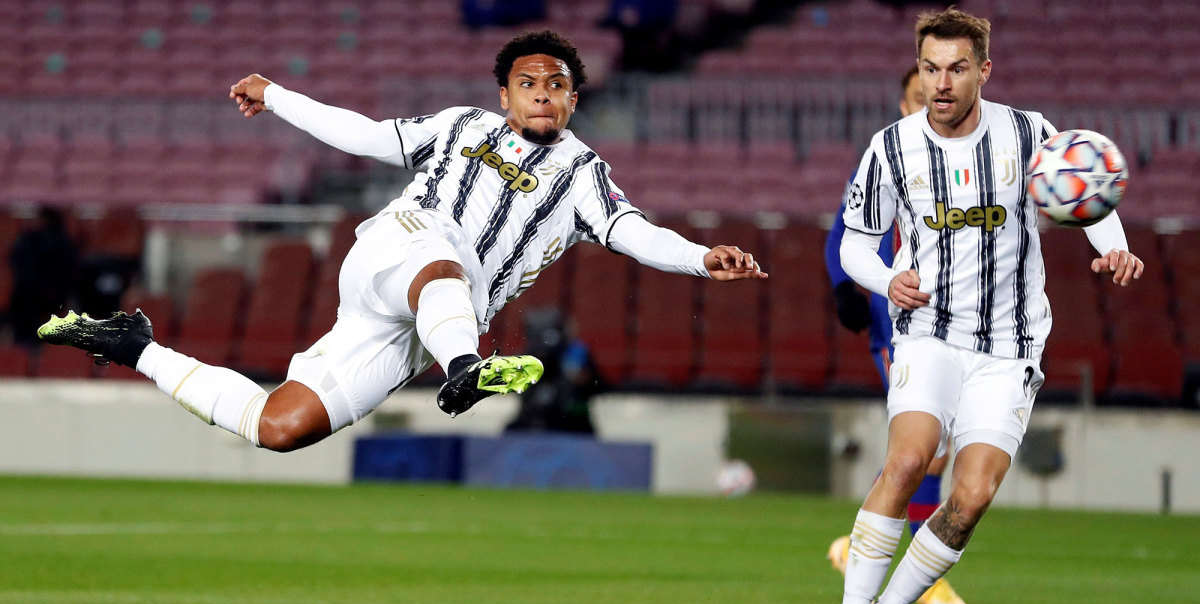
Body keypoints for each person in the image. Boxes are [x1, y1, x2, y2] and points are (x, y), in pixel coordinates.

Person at [38, 30, 766, 452]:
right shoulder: (459, 126)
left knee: (280, 426)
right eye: (528, 81)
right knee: (440, 252)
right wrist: (279, 94)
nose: (543, 90)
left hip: (429, 326)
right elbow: (367, 136)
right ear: (504, 95)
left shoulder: (583, 171)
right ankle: (467, 368)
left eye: (557, 83)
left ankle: (133, 343)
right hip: (400, 246)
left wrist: (701, 258)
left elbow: (632, 232)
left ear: (574, 99)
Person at [817, 9, 1143, 604]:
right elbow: (852, 241)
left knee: (970, 500)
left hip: (1010, 344)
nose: (942, 81)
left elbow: (1086, 190)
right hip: (928, 333)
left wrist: (1117, 249)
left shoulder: (1028, 132)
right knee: (908, 459)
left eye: (957, 68)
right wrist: (887, 280)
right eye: (932, 67)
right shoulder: (891, 146)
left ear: (983, 71)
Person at [823, 65, 967, 604]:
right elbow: (843, 231)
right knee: (927, 452)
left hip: (960, 324)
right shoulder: (887, 157)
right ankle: (922, 580)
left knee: (930, 454)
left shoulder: (968, 160)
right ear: (906, 104)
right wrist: (844, 288)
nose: (933, 96)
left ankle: (856, 547)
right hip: (899, 323)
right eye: (917, 93)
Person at [9, 205, 79, 347]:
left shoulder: (62, 243)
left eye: (40, 219)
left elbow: (68, 273)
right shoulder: (27, 240)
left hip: (52, 298)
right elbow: (16, 263)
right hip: (27, 296)